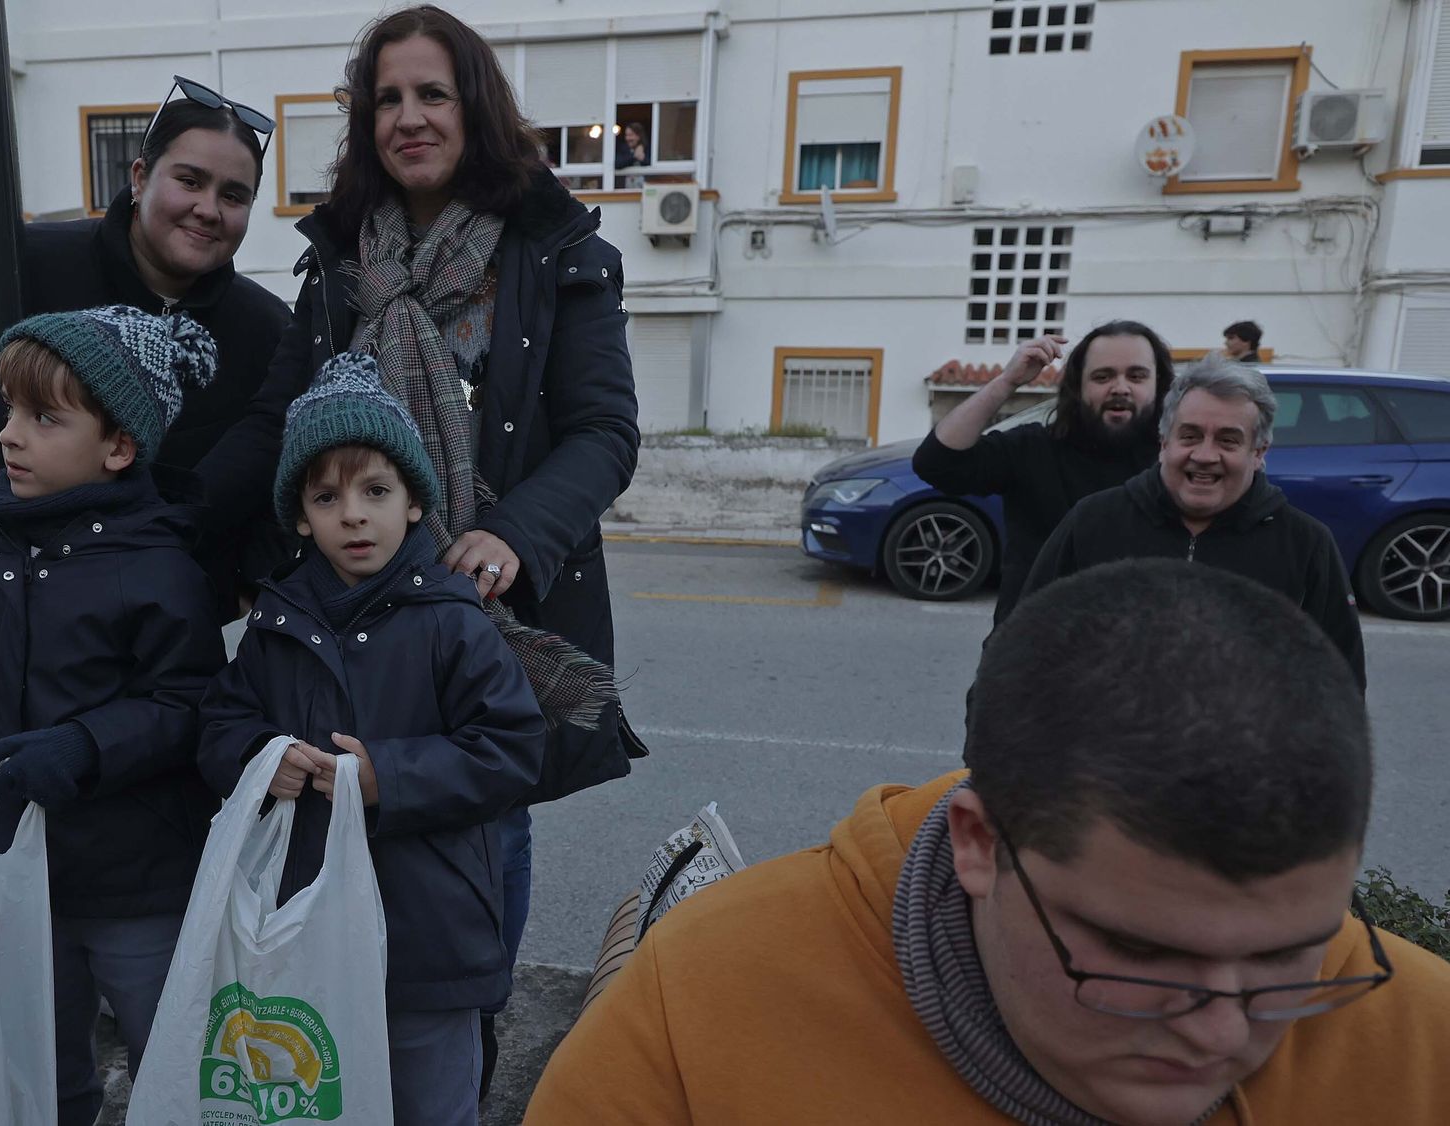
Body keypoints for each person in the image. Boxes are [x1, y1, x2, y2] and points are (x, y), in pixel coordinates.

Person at [527, 559, 1450, 1124]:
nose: (1222, 1032)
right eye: (1137, 953)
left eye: (1291, 959)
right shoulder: (704, 1003)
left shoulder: (1420, 1038)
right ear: (980, 843)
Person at [234, 2, 644, 1083]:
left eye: (432, 93)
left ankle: (459, 1062)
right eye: (386, 99)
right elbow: (281, 421)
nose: (409, 118)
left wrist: (514, 532)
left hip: (482, 609)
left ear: (474, 106)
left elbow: (604, 431)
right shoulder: (335, 261)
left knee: (471, 842)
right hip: (347, 607)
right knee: (343, 851)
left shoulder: (555, 251)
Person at [0, 306, 227, 1126]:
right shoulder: (1, 544)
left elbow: (188, 705)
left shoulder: (159, 568)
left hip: (136, 880)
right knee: (39, 1060)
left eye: (43, 418)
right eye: (11, 410)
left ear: (118, 448)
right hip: (21, 871)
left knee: (167, 1060)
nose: (11, 435)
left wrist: (83, 746)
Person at [197, 353, 546, 1125]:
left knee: (430, 1103)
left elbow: (512, 749)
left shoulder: (454, 621)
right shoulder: (276, 624)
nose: (353, 514)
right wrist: (262, 759)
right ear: (300, 515)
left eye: (376, 491)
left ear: (414, 503)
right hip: (307, 940)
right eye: (327, 496)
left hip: (428, 943)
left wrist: (389, 774)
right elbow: (221, 723)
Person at [23, 80, 293, 615]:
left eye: (233, 195)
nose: (208, 209)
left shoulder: (266, 329)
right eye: (190, 180)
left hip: (188, 632)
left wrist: (243, 591)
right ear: (141, 177)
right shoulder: (31, 268)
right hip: (32, 608)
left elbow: (282, 478)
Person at [1009, 354, 1365, 689]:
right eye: (1190, 436)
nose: (1205, 455)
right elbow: (1022, 646)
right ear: (1164, 443)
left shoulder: (1306, 546)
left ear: (1258, 453)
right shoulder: (1092, 522)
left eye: (1228, 440)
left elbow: (1339, 684)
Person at [912, 320, 1174, 622]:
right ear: (1078, 386)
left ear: (1159, 385)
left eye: (1137, 376)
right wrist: (1007, 381)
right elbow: (936, 462)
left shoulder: (1176, 464)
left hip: (1142, 654)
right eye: (1102, 376)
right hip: (1031, 653)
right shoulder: (1034, 449)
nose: (1120, 388)